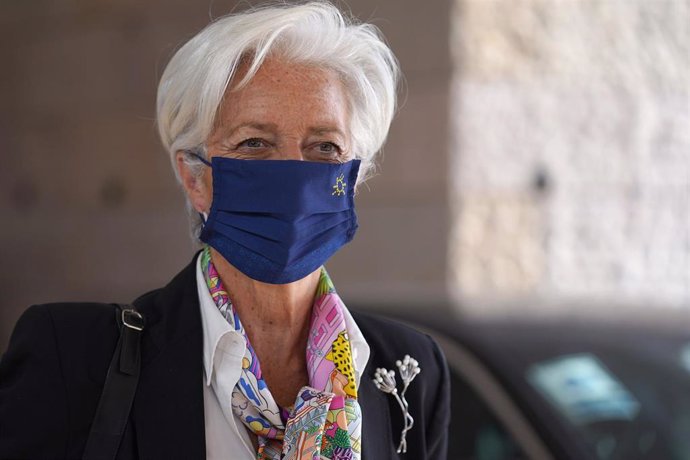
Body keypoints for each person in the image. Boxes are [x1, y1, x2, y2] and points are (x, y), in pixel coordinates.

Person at [0, 3, 450, 459]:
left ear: (351, 179)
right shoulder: (74, 358)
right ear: (196, 178)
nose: (293, 177)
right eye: (254, 142)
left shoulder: (407, 370)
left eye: (325, 147)